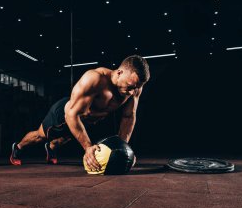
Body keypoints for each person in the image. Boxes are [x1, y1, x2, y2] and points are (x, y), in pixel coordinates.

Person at [10, 55, 150, 172]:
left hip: (86, 121)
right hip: (66, 114)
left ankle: (51, 147)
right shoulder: (95, 78)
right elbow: (71, 115)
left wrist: (123, 149)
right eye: (130, 87)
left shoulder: (136, 88)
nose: (132, 92)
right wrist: (88, 148)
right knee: (40, 136)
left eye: (136, 88)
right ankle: (18, 147)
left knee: (64, 139)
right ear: (119, 72)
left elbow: (128, 117)